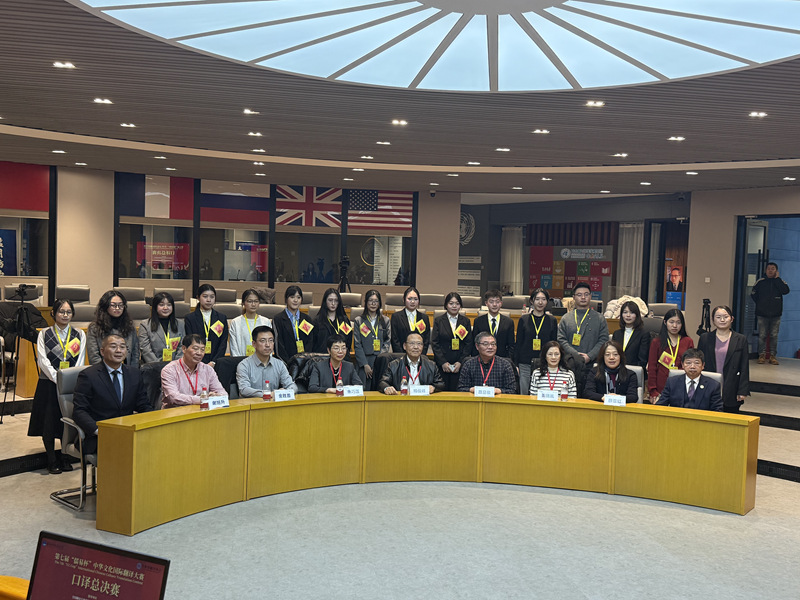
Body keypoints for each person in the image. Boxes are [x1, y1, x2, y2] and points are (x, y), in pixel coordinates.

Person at [27, 299, 87, 473]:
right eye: (61, 311)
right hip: (48, 383)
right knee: (48, 421)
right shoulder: (44, 334)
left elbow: (80, 359)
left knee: (67, 421)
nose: (65, 315)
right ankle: (51, 459)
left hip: (69, 385)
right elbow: (42, 360)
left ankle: (65, 456)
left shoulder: (79, 334)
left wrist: (68, 378)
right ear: (53, 313)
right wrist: (57, 378)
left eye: (68, 312)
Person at [72, 333, 152, 454]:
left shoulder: (134, 374)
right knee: (125, 451)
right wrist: (98, 430)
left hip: (127, 432)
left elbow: (143, 405)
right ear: (102, 351)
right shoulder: (88, 376)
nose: (119, 350)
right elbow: (79, 411)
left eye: (123, 347)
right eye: (113, 346)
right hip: (99, 435)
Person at [557, 282, 609, 393]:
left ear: (590, 296)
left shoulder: (600, 318)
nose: (583, 297)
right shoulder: (566, 318)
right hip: (570, 365)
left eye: (586, 294)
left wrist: (589, 356)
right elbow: (561, 339)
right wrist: (576, 356)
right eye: (579, 295)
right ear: (573, 297)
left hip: (593, 366)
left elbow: (603, 340)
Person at [697, 305, 750, 413]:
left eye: (725, 317)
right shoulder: (705, 338)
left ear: (732, 319)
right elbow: (699, 363)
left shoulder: (740, 339)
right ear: (713, 320)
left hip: (731, 385)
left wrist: (743, 390)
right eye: (718, 317)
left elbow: (744, 366)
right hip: (708, 385)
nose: (722, 320)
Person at [161, 333, 226, 408]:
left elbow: (223, 394)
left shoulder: (208, 370)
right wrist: (202, 399)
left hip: (201, 411)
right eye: (195, 349)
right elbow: (173, 397)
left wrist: (216, 396)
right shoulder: (169, 370)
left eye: (202, 350)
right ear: (184, 349)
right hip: (176, 412)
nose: (199, 353)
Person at [515, 288, 558, 395]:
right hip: (525, 362)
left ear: (547, 301)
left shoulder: (552, 320)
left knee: (541, 393)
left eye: (543, 299)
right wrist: (516, 364)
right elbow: (518, 343)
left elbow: (554, 344)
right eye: (537, 299)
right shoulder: (524, 319)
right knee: (524, 393)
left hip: (544, 363)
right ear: (532, 301)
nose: (540, 302)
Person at [647, 308, 694, 403]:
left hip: (682, 386)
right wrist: (653, 391)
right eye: (671, 322)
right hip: (660, 388)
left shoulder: (688, 341)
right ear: (665, 322)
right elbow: (652, 367)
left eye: (678, 322)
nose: (674, 326)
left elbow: (691, 365)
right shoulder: (657, 342)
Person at [236, 325, 296, 397]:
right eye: (263, 341)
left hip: (273, 403)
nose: (267, 345)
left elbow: (292, 386)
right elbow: (244, 390)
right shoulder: (244, 365)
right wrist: (268, 394)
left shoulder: (279, 364)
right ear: (254, 344)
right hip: (251, 403)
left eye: (271, 340)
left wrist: (285, 392)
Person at [656, 348, 722, 411]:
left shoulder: (713, 386)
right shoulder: (672, 382)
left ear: (703, 365)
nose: (692, 366)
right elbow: (660, 406)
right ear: (682, 365)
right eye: (688, 363)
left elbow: (717, 411)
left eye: (697, 363)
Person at [431, 292, 472, 391]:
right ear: (446, 305)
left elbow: (468, 343)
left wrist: (460, 362)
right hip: (443, 363)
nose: (454, 306)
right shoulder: (438, 320)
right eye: (451, 303)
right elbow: (435, 343)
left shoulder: (465, 321)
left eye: (457, 303)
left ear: (460, 306)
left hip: (459, 362)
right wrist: (443, 362)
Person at [751, 261, 790, 364]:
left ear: (776, 271)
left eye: (773, 269)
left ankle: (773, 356)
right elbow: (753, 294)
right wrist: (760, 303)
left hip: (776, 314)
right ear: (765, 270)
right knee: (762, 335)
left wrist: (777, 279)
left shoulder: (780, 281)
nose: (770, 270)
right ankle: (761, 355)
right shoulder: (760, 282)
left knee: (774, 335)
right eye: (768, 269)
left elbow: (786, 291)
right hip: (762, 314)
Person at [379, 332, 444, 394]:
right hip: (402, 399)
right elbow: (383, 382)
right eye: (412, 343)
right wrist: (387, 388)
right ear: (405, 346)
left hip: (423, 399)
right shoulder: (394, 365)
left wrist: (433, 387)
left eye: (419, 344)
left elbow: (440, 384)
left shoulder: (431, 365)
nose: (416, 347)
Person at [86, 290, 139, 366]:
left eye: (121, 305)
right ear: (105, 306)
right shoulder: (94, 328)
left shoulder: (129, 326)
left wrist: (131, 371)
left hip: (127, 370)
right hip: (102, 371)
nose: (117, 308)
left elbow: (135, 354)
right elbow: (94, 357)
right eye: (113, 305)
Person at [184, 284, 229, 367]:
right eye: (205, 296)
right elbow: (190, 342)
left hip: (216, 362)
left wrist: (214, 362)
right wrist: (200, 362)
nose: (209, 300)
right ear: (198, 298)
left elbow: (223, 342)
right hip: (195, 362)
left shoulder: (221, 318)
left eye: (212, 297)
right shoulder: (190, 318)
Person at [353, 290, 391, 386]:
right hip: (364, 360)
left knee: (379, 387)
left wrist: (378, 362)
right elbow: (357, 344)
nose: (373, 304)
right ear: (366, 302)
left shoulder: (385, 321)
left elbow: (387, 342)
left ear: (379, 303)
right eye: (370, 300)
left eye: (376, 301)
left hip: (380, 360)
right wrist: (365, 364)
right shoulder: (359, 320)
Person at [138, 291, 185, 363]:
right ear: (155, 306)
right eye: (161, 305)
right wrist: (158, 365)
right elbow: (146, 350)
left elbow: (182, 347)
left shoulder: (180, 324)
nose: (165, 308)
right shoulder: (145, 325)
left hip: (176, 366)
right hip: (153, 366)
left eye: (169, 305)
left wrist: (175, 365)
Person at [272, 285, 314, 362]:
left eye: (298, 297)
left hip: (304, 362)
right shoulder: (278, 319)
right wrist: (287, 363)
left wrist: (305, 361)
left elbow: (310, 341)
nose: (295, 300)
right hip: (285, 362)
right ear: (286, 299)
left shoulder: (307, 319)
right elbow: (278, 344)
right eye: (292, 297)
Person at [471, 289, 515, 360]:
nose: (494, 304)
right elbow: (475, 344)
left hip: (502, 360)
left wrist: (508, 361)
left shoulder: (508, 322)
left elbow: (511, 346)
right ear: (486, 303)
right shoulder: (478, 321)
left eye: (497, 302)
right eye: (491, 302)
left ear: (501, 303)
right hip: (482, 359)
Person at [229, 289, 271, 357]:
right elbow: (234, 349)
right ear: (243, 303)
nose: (253, 304)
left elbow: (269, 346)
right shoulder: (236, 322)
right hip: (241, 361)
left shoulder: (266, 322)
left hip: (262, 361)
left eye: (256, 301)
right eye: (249, 301)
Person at [390, 286, 430, 352]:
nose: (413, 302)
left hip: (419, 354)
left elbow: (426, 340)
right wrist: (401, 356)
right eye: (409, 299)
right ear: (404, 299)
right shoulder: (396, 317)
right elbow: (395, 340)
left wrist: (420, 355)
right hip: (401, 354)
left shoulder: (424, 318)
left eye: (415, 299)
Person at [312, 288, 353, 353]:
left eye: (336, 300)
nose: (333, 303)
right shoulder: (317, 321)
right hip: (323, 356)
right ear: (325, 301)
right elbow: (313, 343)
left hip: (341, 356)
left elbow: (348, 341)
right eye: (330, 300)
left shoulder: (344, 320)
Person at [611, 300, 650, 367]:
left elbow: (642, 360)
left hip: (634, 369)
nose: (628, 315)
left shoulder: (644, 334)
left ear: (637, 315)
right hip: (617, 369)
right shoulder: (616, 334)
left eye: (631, 313)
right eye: (625, 312)